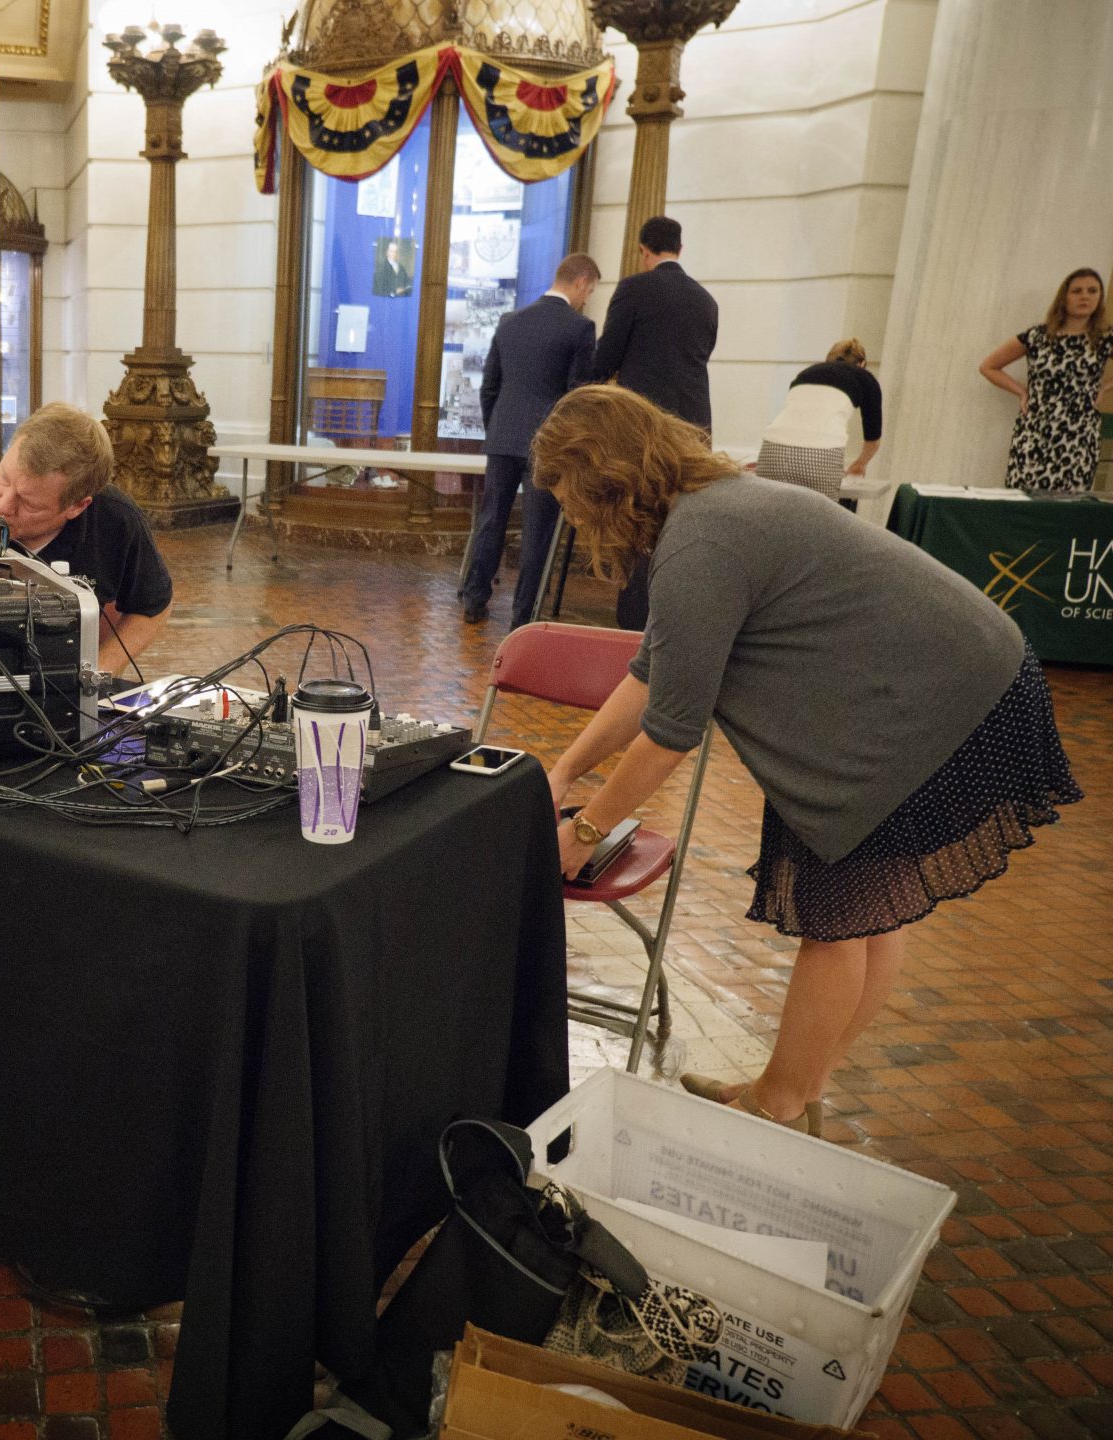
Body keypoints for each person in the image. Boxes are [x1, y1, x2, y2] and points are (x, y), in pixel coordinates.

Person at [531, 385, 1079, 1133]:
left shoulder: (701, 540)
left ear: (605, 478)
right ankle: (797, 1084)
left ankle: (776, 1107)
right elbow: (654, 671)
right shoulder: (711, 511)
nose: (570, 515)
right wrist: (566, 770)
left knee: (839, 925)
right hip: (957, 683)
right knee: (874, 918)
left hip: (929, 706)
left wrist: (586, 830)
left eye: (567, 495)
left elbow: (672, 730)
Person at [0, 401, 174, 677]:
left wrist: (99, 669)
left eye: (29, 503)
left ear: (77, 506)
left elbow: (152, 606)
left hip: (54, 681)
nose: (1, 506)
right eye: (3, 479)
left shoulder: (117, 520)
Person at [588, 216, 719, 629]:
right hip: (695, 431)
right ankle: (672, 620)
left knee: (637, 521)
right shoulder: (706, 300)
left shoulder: (633, 289)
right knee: (680, 523)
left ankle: (633, 627)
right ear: (680, 249)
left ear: (644, 251)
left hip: (642, 429)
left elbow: (606, 357)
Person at [458, 252, 600, 628]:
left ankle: (474, 600)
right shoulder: (580, 328)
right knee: (538, 531)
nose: (587, 299)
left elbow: (489, 388)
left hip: (503, 439)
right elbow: (576, 397)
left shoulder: (509, 321)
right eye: (590, 291)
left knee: (491, 520)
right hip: (548, 445)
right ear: (582, 282)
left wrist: (498, 430)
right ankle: (524, 616)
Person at [980, 266, 1113, 494]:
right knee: (1021, 502)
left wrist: (1105, 388)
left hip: (1078, 437)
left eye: (1092, 291)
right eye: (1077, 291)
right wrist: (1022, 392)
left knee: (1066, 511)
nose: (1085, 296)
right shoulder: (1038, 336)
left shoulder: (1104, 338)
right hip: (1035, 432)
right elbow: (988, 366)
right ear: (1064, 296)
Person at [754, 338, 883, 502]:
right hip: (820, 456)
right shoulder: (865, 377)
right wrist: (860, 463)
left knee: (768, 516)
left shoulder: (806, 373)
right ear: (862, 363)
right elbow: (873, 440)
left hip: (772, 451)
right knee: (820, 522)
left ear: (829, 360)